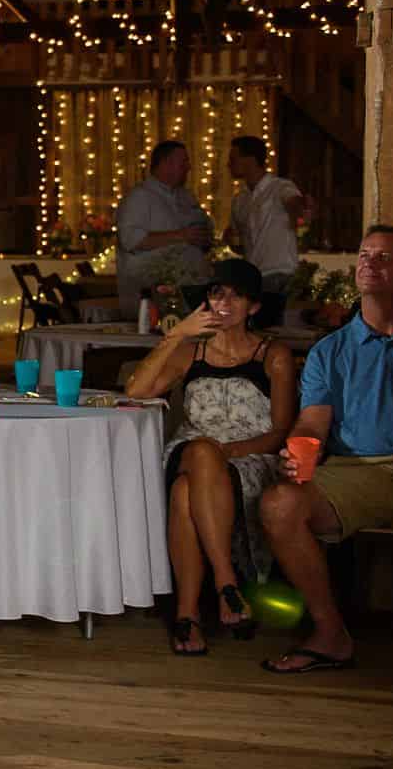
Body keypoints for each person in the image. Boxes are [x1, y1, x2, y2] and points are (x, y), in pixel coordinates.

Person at [258, 224, 393, 680]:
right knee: (279, 503)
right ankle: (330, 635)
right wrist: (299, 452)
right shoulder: (330, 350)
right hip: (352, 471)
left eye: (384, 257)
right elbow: (313, 423)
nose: (369, 263)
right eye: (365, 255)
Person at [125, 256, 294, 653]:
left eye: (237, 296)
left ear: (254, 307)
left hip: (250, 457)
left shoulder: (273, 355)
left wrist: (227, 452)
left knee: (185, 491)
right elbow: (136, 391)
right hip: (190, 450)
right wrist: (175, 335)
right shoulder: (191, 352)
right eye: (217, 294)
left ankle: (187, 615)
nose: (224, 303)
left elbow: (281, 431)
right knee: (200, 452)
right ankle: (226, 582)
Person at [116, 141, 215, 321]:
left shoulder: (186, 196)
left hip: (191, 292)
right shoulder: (140, 197)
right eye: (184, 162)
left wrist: (205, 238)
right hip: (154, 297)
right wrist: (182, 236)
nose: (189, 167)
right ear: (166, 163)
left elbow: (204, 230)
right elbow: (130, 240)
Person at [228, 138, 313, 308]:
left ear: (250, 160)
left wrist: (302, 207)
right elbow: (238, 243)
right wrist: (230, 239)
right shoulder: (240, 199)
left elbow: (294, 203)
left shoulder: (280, 187)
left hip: (281, 274)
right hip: (254, 279)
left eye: (233, 159)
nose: (228, 164)